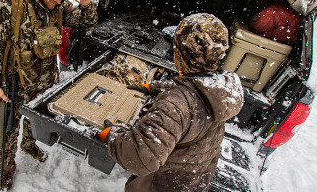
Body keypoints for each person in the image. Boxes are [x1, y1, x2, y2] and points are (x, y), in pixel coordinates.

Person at [0, 0, 98, 190]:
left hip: (44, 80)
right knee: (7, 129)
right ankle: (6, 169)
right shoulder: (9, 6)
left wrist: (85, 4)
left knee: (34, 121)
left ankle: (28, 145)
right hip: (12, 82)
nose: (59, 0)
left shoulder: (59, 7)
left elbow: (87, 23)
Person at [98, 13, 244, 191]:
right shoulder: (222, 86)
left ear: (181, 55)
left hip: (162, 186)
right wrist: (154, 87)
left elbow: (140, 158)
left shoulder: (174, 105)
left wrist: (112, 135)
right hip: (193, 181)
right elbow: (195, 91)